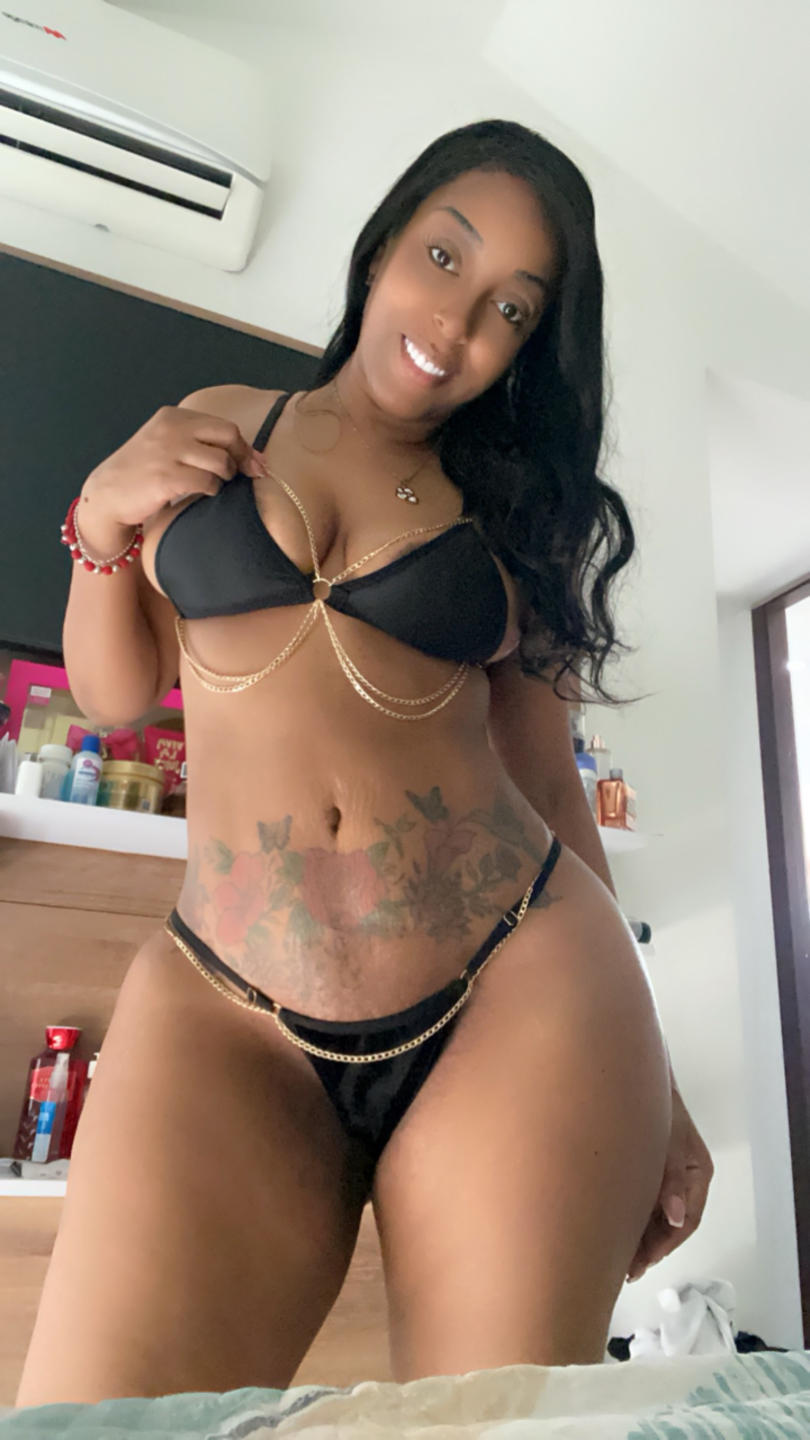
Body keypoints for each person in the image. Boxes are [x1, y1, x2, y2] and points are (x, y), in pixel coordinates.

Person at [16, 118, 712, 1407]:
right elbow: (113, 696)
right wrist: (98, 517)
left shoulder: (515, 513)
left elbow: (549, 781)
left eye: (510, 307)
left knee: (482, 1434)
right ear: (387, 240)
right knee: (92, 1424)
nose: (457, 322)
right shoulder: (217, 421)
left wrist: (658, 1083)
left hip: (519, 993)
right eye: (445, 256)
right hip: (227, 1006)